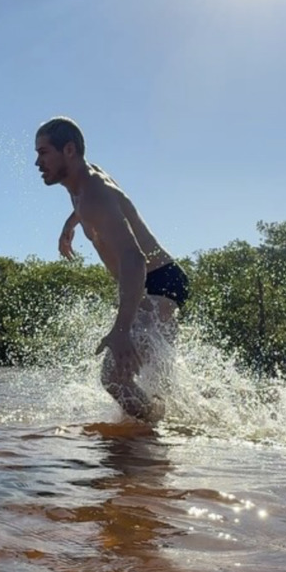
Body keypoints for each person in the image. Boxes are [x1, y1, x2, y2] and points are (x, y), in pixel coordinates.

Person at [34, 116, 189, 421]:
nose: (38, 162)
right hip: (160, 280)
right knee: (156, 379)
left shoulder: (92, 196)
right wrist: (70, 222)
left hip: (158, 282)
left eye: (43, 152)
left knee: (114, 378)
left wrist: (120, 331)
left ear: (68, 150)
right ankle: (180, 430)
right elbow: (106, 201)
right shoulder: (84, 182)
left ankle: (154, 430)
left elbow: (133, 259)